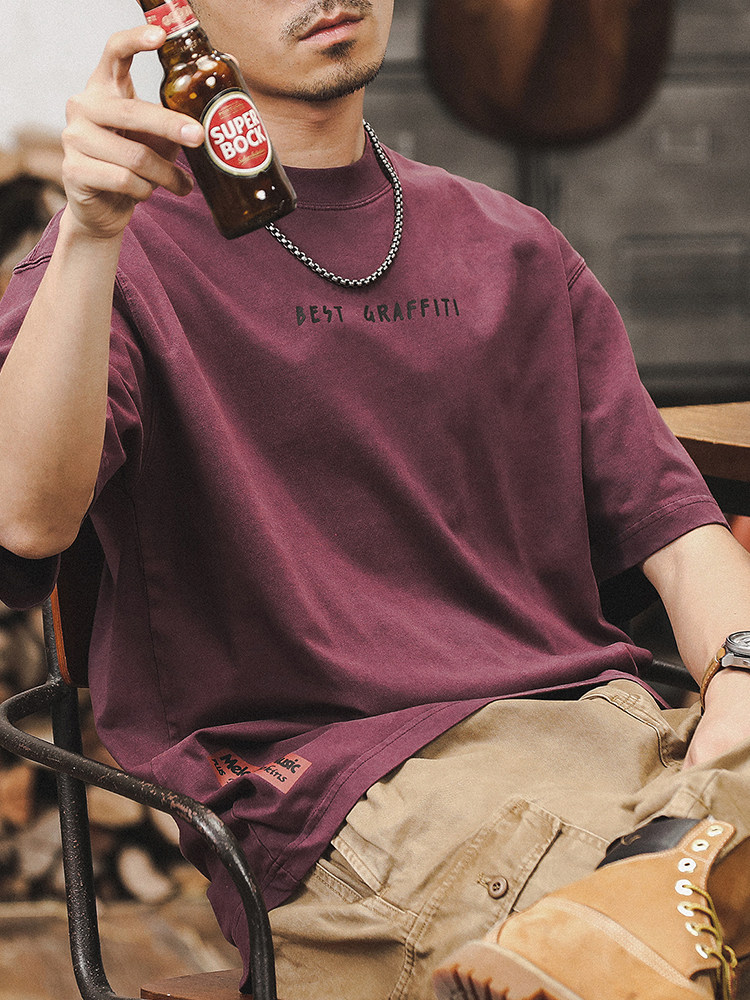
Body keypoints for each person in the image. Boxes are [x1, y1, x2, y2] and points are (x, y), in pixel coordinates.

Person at [1, 2, 750, 998]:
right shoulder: (115, 253)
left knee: (679, 913)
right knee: (655, 952)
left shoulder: (515, 246)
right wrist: (92, 233)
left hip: (614, 743)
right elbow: (25, 519)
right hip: (351, 803)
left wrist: (742, 671)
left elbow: (684, 534)